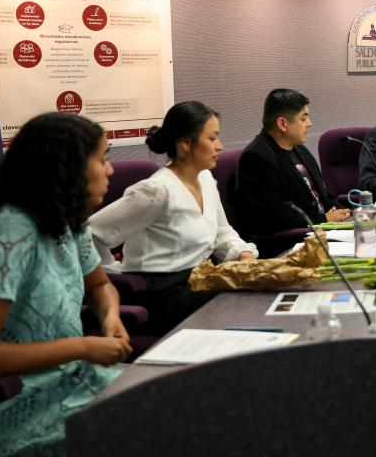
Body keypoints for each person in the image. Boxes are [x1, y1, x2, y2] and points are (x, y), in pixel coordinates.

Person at [0, 112, 132, 456]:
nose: (110, 169)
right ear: (68, 168)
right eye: (102, 159)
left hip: (73, 379)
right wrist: (83, 347)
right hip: (19, 404)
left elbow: (99, 287)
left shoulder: (67, 220)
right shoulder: (10, 231)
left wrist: (110, 317)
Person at [90, 101, 257, 334]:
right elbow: (91, 234)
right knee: (243, 298)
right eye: (212, 138)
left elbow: (222, 231)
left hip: (200, 279)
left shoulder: (206, 179)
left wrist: (243, 253)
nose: (220, 146)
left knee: (256, 289)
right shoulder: (155, 191)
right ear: (185, 143)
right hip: (163, 294)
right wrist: (114, 275)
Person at [234, 89, 350, 240]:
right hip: (294, 240)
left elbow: (323, 195)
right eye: (303, 119)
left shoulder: (299, 149)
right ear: (282, 124)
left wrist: (344, 212)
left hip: (325, 230)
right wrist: (324, 220)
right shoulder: (257, 158)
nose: (309, 124)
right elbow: (272, 218)